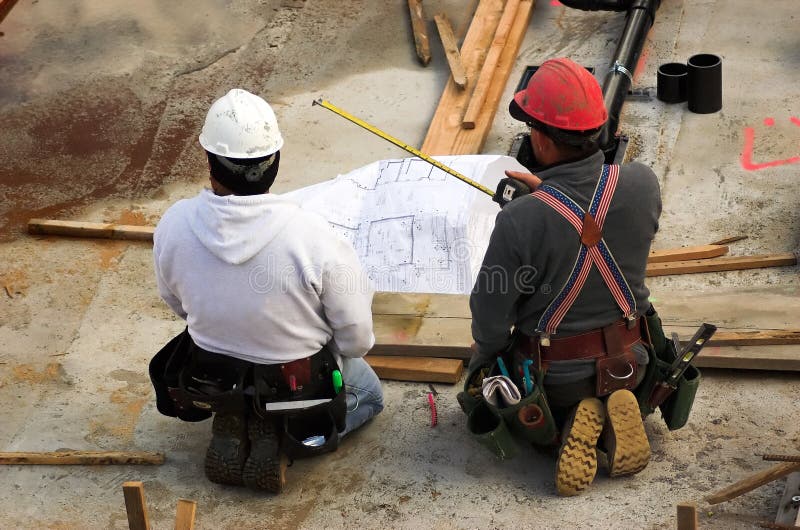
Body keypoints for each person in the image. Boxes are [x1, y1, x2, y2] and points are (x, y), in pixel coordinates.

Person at [152, 88, 383, 491]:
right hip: (294, 377)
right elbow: (357, 339)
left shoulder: (174, 224)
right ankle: (283, 437)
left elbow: (177, 304)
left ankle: (238, 411)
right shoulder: (314, 236)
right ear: (274, 162)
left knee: (207, 341)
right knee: (369, 392)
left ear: (211, 163)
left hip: (211, 371)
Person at [468, 58, 662, 496]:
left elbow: (490, 313)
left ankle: (558, 431)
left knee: (478, 386)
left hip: (555, 378)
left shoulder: (520, 220)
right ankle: (619, 403)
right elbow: (596, 218)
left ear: (538, 135)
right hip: (635, 358)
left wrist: (484, 355)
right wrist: (550, 199)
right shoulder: (643, 184)